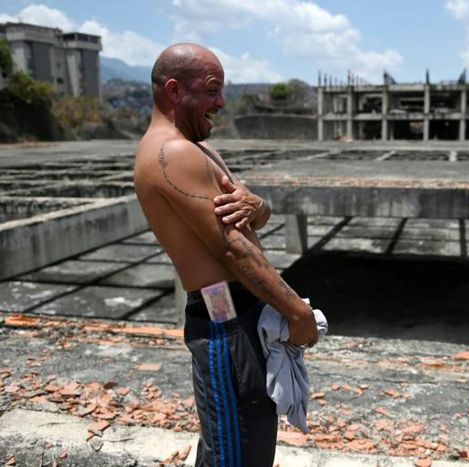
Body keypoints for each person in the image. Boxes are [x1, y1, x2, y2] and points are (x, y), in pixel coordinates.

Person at [133, 43, 318, 467]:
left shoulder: (196, 148)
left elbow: (250, 214)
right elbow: (232, 248)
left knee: (243, 448)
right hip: (225, 325)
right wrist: (297, 313)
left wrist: (260, 205)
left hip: (242, 321)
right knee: (235, 455)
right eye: (213, 90)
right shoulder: (171, 154)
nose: (221, 102)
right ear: (176, 91)